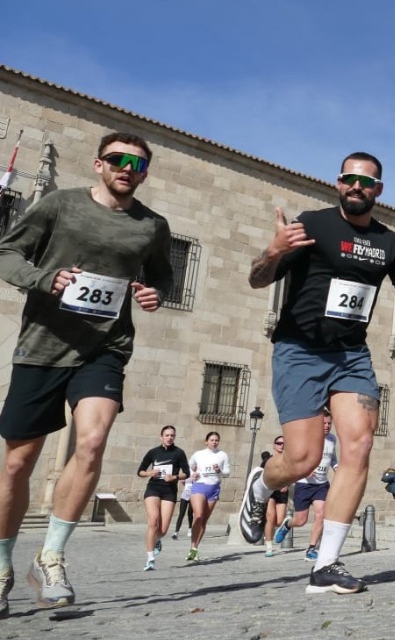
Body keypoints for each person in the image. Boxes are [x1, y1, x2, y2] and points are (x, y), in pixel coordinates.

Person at [242, 151, 395, 595]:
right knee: (305, 459)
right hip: (299, 349)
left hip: (351, 355)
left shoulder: (391, 243)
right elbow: (258, 279)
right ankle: (262, 483)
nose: (356, 187)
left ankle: (326, 563)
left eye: (366, 182)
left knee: (360, 444)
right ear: (338, 183)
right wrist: (272, 251)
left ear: (378, 191)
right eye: (349, 179)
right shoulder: (313, 224)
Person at [0, 131, 173, 614]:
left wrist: (154, 294)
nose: (127, 168)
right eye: (117, 160)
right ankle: (2, 567)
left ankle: (51, 555)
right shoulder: (59, 205)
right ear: (99, 164)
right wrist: (42, 279)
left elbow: (161, 274)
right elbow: (6, 252)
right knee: (17, 463)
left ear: (144, 173)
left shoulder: (152, 226)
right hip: (42, 346)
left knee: (92, 441)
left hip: (106, 348)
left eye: (137, 164)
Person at [272, 411, 337, 562]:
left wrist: (337, 467)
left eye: (329, 424)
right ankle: (288, 524)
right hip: (304, 484)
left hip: (321, 484)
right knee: (300, 521)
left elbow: (332, 458)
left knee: (321, 514)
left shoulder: (332, 440)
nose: (327, 426)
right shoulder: (309, 438)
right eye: (324, 424)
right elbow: (296, 458)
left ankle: (311, 549)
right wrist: (305, 470)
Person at [136, 425, 190, 571]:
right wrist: (149, 473)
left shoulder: (179, 453)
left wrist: (174, 477)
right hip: (153, 488)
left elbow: (187, 473)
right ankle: (150, 558)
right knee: (153, 522)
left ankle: (157, 540)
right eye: (167, 435)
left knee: (164, 529)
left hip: (169, 491)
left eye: (172, 435)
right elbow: (140, 471)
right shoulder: (153, 452)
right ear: (161, 437)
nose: (169, 438)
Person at [186, 432, 230, 561]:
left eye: (216, 440)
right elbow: (188, 466)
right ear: (206, 441)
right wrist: (192, 473)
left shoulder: (222, 455)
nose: (214, 442)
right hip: (199, 485)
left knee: (204, 520)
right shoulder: (198, 454)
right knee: (198, 515)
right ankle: (193, 545)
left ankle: (194, 549)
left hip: (214, 488)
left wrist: (219, 471)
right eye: (212, 440)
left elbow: (227, 472)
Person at [263, 438, 289, 557]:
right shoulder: (268, 460)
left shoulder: (288, 460)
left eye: (283, 444)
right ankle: (269, 547)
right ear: (274, 445)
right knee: (270, 517)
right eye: (279, 443)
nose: (281, 446)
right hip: (270, 491)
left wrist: (287, 484)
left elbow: (292, 474)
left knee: (279, 521)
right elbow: (261, 475)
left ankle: (285, 525)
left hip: (282, 491)